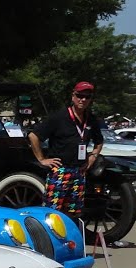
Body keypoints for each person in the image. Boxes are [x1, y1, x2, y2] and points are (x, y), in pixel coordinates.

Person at [28, 81, 104, 218]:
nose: (83, 99)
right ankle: (50, 238)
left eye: (87, 97)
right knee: (53, 212)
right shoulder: (58, 117)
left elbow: (99, 141)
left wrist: (93, 156)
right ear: (73, 96)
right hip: (60, 170)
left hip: (79, 171)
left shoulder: (91, 119)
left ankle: (69, 238)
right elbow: (33, 136)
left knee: (74, 213)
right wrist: (42, 159)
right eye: (80, 95)